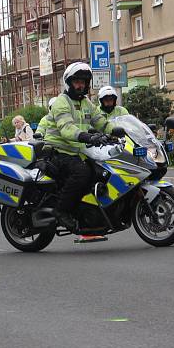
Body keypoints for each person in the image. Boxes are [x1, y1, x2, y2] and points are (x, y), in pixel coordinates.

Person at [41, 63, 115, 230]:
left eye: (84, 82)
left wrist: (117, 130)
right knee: (82, 172)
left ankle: (89, 210)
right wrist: (88, 136)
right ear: (69, 83)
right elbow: (67, 129)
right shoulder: (62, 102)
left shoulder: (86, 102)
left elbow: (100, 121)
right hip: (57, 150)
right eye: (77, 82)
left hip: (77, 151)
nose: (81, 85)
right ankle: (61, 211)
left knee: (101, 171)